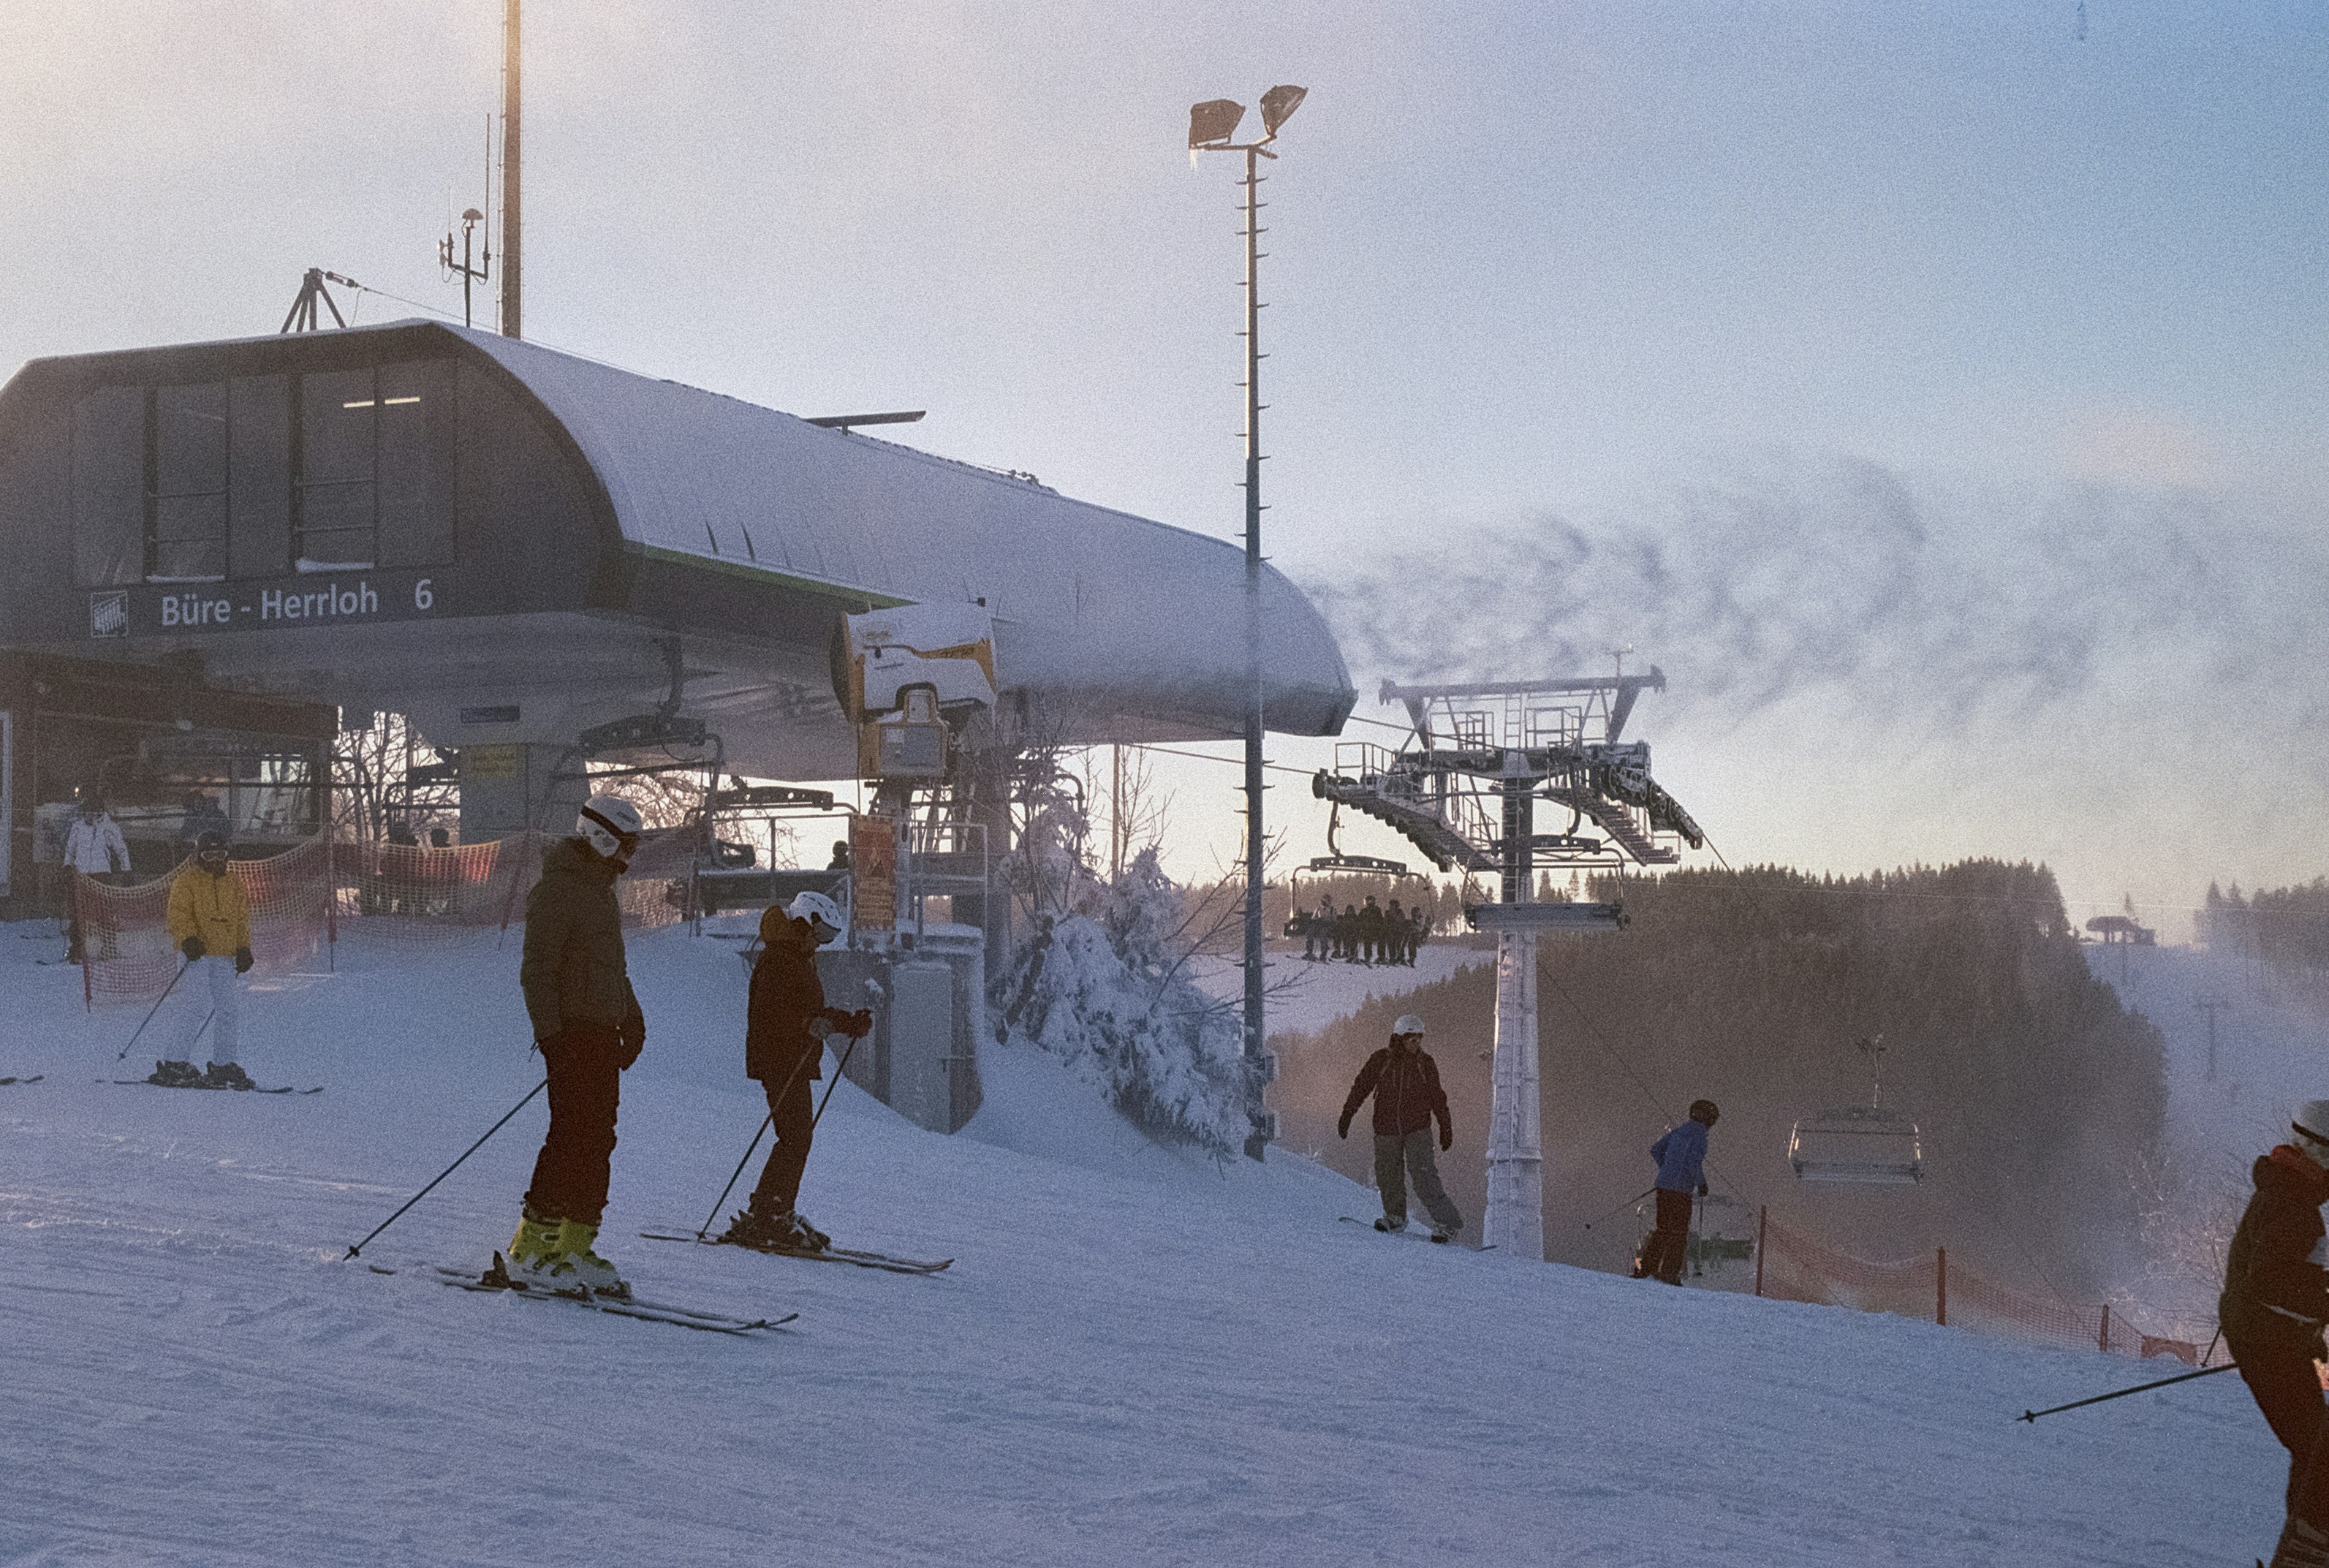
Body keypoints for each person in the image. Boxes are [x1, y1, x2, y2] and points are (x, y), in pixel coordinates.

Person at [509, 794, 648, 1294]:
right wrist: (551, 1037)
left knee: (598, 1139)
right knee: (569, 1137)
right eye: (625, 845)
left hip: (601, 1034)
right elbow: (537, 971)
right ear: (601, 837)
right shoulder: (558, 890)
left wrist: (632, 1019)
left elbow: (613, 969)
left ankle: (573, 1243)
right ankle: (531, 1247)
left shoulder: (601, 892)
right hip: (570, 1033)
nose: (628, 857)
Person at [720, 892, 871, 1251]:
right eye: (821, 936)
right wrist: (808, 1024)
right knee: (795, 1137)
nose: (821, 944)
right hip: (780, 1061)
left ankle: (772, 1210)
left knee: (795, 1137)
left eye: (828, 939)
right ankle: (772, 1215)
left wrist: (847, 1022)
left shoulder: (796, 958)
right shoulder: (778, 959)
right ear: (806, 923)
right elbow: (770, 1014)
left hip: (793, 1059)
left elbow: (808, 1012)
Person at [2223, 1101, 2329, 1567]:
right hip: (2264, 1341)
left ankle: (2307, 1545)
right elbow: (2267, 1282)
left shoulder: (2289, 1192)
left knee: (2314, 1441)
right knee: (2316, 1442)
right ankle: (2306, 1551)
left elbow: (2280, 1276)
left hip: (2266, 1336)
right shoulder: (2295, 1203)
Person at [1337, 1014, 1463, 1243]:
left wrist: (1446, 1126)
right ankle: (1395, 1216)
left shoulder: (1425, 1064)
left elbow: (1437, 1097)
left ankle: (1446, 1223)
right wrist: (1348, 1114)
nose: (1416, 1044)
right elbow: (1361, 1086)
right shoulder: (1381, 1060)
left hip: (1418, 1129)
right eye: (1411, 1039)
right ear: (1398, 1038)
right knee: (1388, 1175)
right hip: (1386, 1129)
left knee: (1424, 1175)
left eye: (1419, 1039)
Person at [156, 829, 255, 1090]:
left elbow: (242, 919)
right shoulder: (186, 881)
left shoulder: (234, 883)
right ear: (198, 855)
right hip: (197, 955)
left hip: (224, 955)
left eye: (220, 854)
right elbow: (177, 915)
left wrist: (243, 948)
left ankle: (224, 1063)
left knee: (228, 1010)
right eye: (208, 854)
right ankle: (174, 1063)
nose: (214, 860)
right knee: (196, 1006)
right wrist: (188, 938)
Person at [1638, 1100, 1719, 1285]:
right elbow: (1693, 1163)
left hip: (1664, 1187)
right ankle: (1668, 1274)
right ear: (1709, 1119)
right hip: (1681, 1192)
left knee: (1662, 1230)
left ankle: (1647, 1269)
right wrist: (1702, 1184)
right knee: (1679, 1233)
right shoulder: (1700, 1137)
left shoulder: (1679, 1131)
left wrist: (1667, 1169)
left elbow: (1656, 1150)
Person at [61, 793, 130, 964]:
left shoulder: (109, 827)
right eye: (86, 813)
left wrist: (126, 870)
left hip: (101, 874)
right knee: (77, 912)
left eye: (91, 813)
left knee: (104, 912)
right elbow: (71, 848)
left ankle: (108, 946)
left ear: (100, 812)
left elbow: (121, 849)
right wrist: (67, 866)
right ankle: (77, 948)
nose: (88, 816)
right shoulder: (78, 827)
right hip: (81, 874)